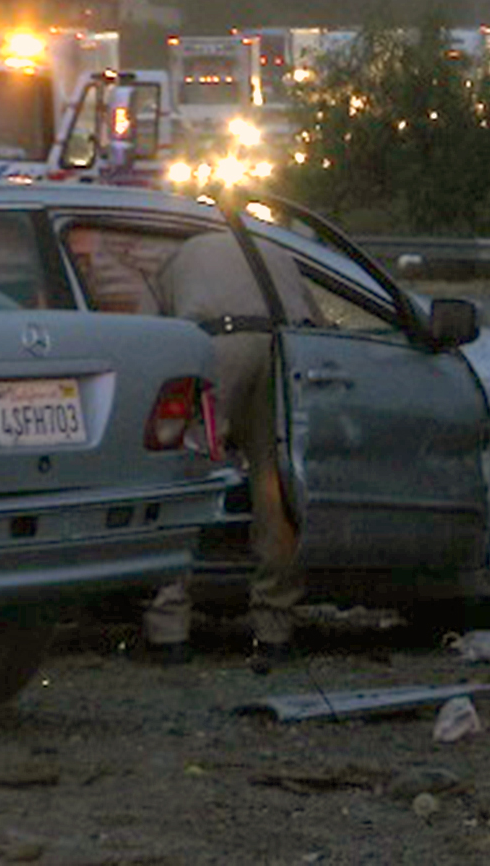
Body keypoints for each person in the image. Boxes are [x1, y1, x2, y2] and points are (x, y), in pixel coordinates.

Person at [140, 229, 322, 672]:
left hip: (217, 348)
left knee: (188, 478)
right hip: (283, 350)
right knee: (275, 486)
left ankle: (169, 630)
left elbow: (151, 334)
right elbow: (318, 320)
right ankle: (274, 629)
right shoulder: (273, 248)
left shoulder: (173, 255)